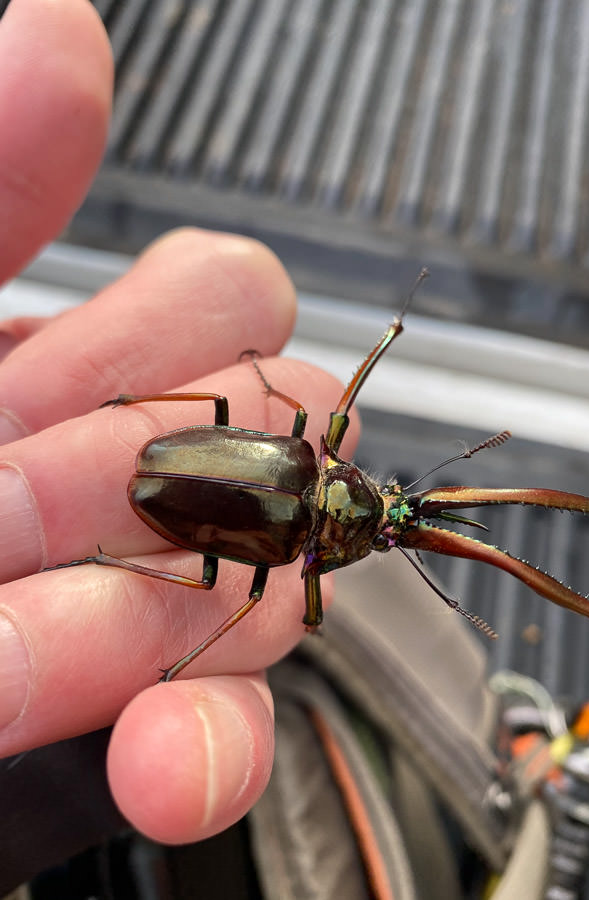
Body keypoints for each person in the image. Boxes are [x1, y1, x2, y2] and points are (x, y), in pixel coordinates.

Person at [0, 0, 353, 855]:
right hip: (170, 482)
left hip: (173, 471)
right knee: (208, 588)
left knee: (214, 580)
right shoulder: (284, 527)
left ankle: (115, 554)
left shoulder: (305, 455)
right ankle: (116, 555)